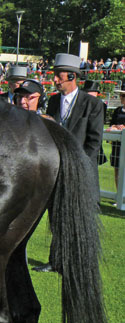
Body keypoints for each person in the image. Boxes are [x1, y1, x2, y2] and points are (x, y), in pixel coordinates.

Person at [35, 53, 104, 273]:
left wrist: (77, 165)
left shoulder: (93, 104)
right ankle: (56, 260)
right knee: (57, 217)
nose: (55, 80)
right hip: (56, 170)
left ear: (72, 76)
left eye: (59, 75)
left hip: (81, 171)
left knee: (79, 220)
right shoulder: (54, 101)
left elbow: (94, 141)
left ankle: (79, 263)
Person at [106, 83, 125, 190]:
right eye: (121, 96)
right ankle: (118, 193)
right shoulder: (117, 110)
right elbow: (111, 124)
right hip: (117, 145)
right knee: (117, 169)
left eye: (124, 96)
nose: (122, 98)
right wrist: (114, 126)